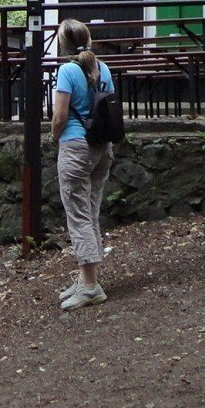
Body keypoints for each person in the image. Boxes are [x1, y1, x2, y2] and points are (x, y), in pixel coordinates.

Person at [50, 18, 114, 311]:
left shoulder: (67, 70)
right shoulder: (103, 68)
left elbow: (60, 116)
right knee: (90, 212)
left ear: (62, 45)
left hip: (75, 147)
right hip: (102, 147)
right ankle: (86, 277)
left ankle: (90, 287)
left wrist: (54, 137)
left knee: (78, 216)